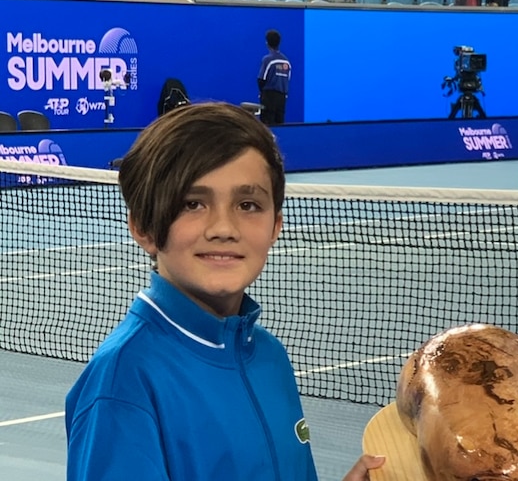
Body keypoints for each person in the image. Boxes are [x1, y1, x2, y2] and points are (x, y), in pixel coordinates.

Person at [65, 103, 385, 481]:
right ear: (144, 227)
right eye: (193, 204)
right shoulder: (124, 383)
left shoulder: (269, 357)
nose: (223, 227)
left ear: (275, 225)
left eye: (248, 205)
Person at [258, 29, 291, 126]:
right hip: (282, 97)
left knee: (267, 124)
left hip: (269, 96)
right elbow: (287, 80)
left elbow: (261, 79)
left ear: (267, 43)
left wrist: (262, 94)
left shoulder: (268, 59)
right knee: (280, 124)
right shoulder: (286, 62)